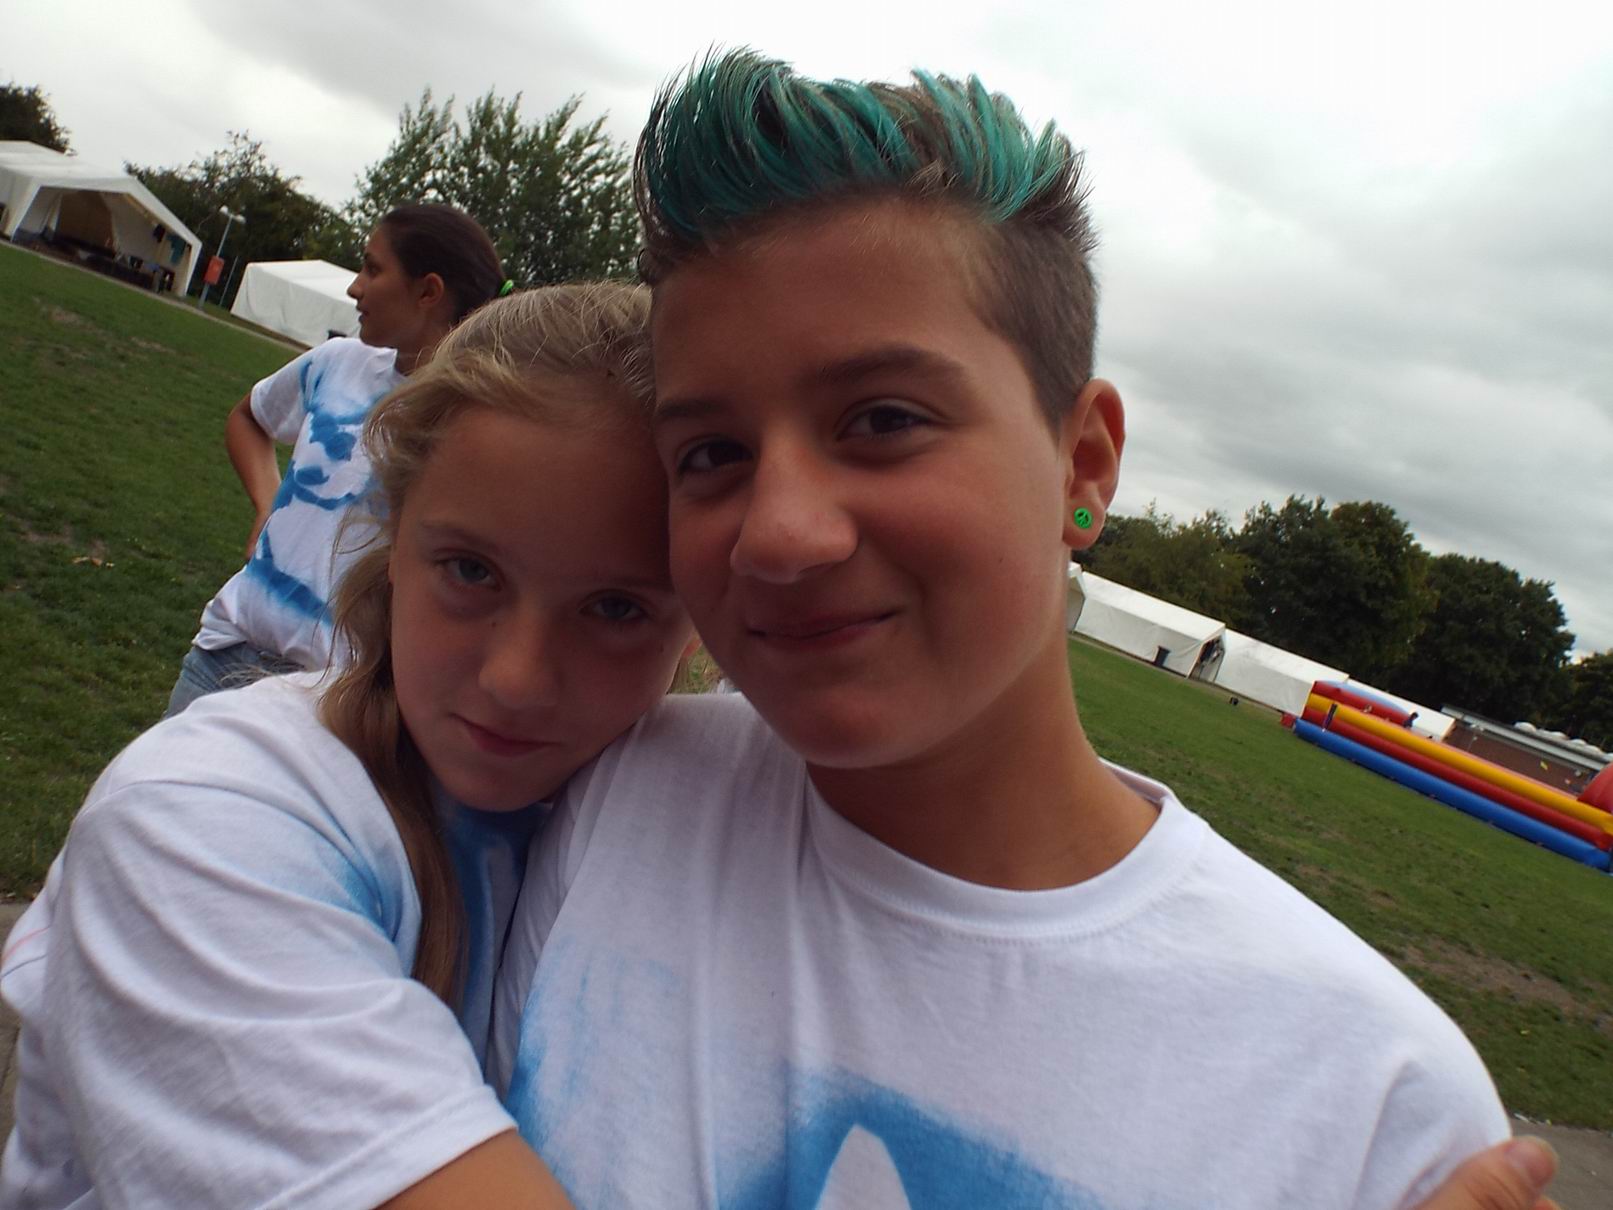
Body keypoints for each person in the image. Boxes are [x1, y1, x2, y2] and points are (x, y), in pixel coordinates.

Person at [470, 52, 1524, 1209]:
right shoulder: (620, 799)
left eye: (882, 419)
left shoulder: (1371, 1109)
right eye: (710, 453)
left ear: (1082, 464)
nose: (778, 533)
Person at [0, 285, 691, 1209]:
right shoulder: (204, 816)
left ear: (698, 623)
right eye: (471, 571)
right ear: (393, 540)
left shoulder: (676, 816)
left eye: (614, 608)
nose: (516, 679)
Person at [164, 203, 507, 716]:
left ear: (428, 291)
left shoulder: (473, 420)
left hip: (328, 697)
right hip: (223, 652)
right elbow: (249, 418)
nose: (354, 287)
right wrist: (267, 506)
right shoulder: (337, 361)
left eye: (372, 268)